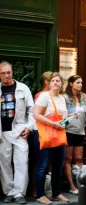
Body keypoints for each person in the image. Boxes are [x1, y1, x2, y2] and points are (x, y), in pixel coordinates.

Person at [0, 61, 35, 204]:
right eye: (3, 73)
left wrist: (29, 127)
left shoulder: (23, 88)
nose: (6, 76)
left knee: (21, 162)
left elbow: (32, 110)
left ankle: (19, 193)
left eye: (8, 72)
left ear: (12, 72)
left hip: (20, 130)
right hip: (2, 132)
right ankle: (9, 191)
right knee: (4, 163)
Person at [33, 72, 69, 204]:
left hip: (59, 134)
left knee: (58, 166)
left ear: (61, 83)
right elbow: (36, 115)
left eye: (58, 81)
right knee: (43, 165)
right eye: (53, 80)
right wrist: (53, 124)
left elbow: (62, 117)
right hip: (46, 134)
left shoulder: (62, 98)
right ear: (49, 83)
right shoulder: (44, 96)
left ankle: (56, 193)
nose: (55, 82)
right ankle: (40, 195)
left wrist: (69, 118)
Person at [29, 71, 52, 198]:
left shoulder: (56, 96)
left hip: (52, 132)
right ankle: (35, 189)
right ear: (46, 82)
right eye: (52, 80)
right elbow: (37, 115)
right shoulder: (40, 95)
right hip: (40, 131)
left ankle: (47, 189)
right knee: (39, 161)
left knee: (49, 162)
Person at [63, 75, 86, 195]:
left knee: (78, 158)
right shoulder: (65, 97)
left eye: (81, 82)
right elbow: (63, 114)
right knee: (68, 159)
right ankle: (71, 185)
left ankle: (80, 182)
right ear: (71, 84)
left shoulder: (84, 96)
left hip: (80, 130)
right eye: (77, 82)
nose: (80, 85)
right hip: (68, 131)